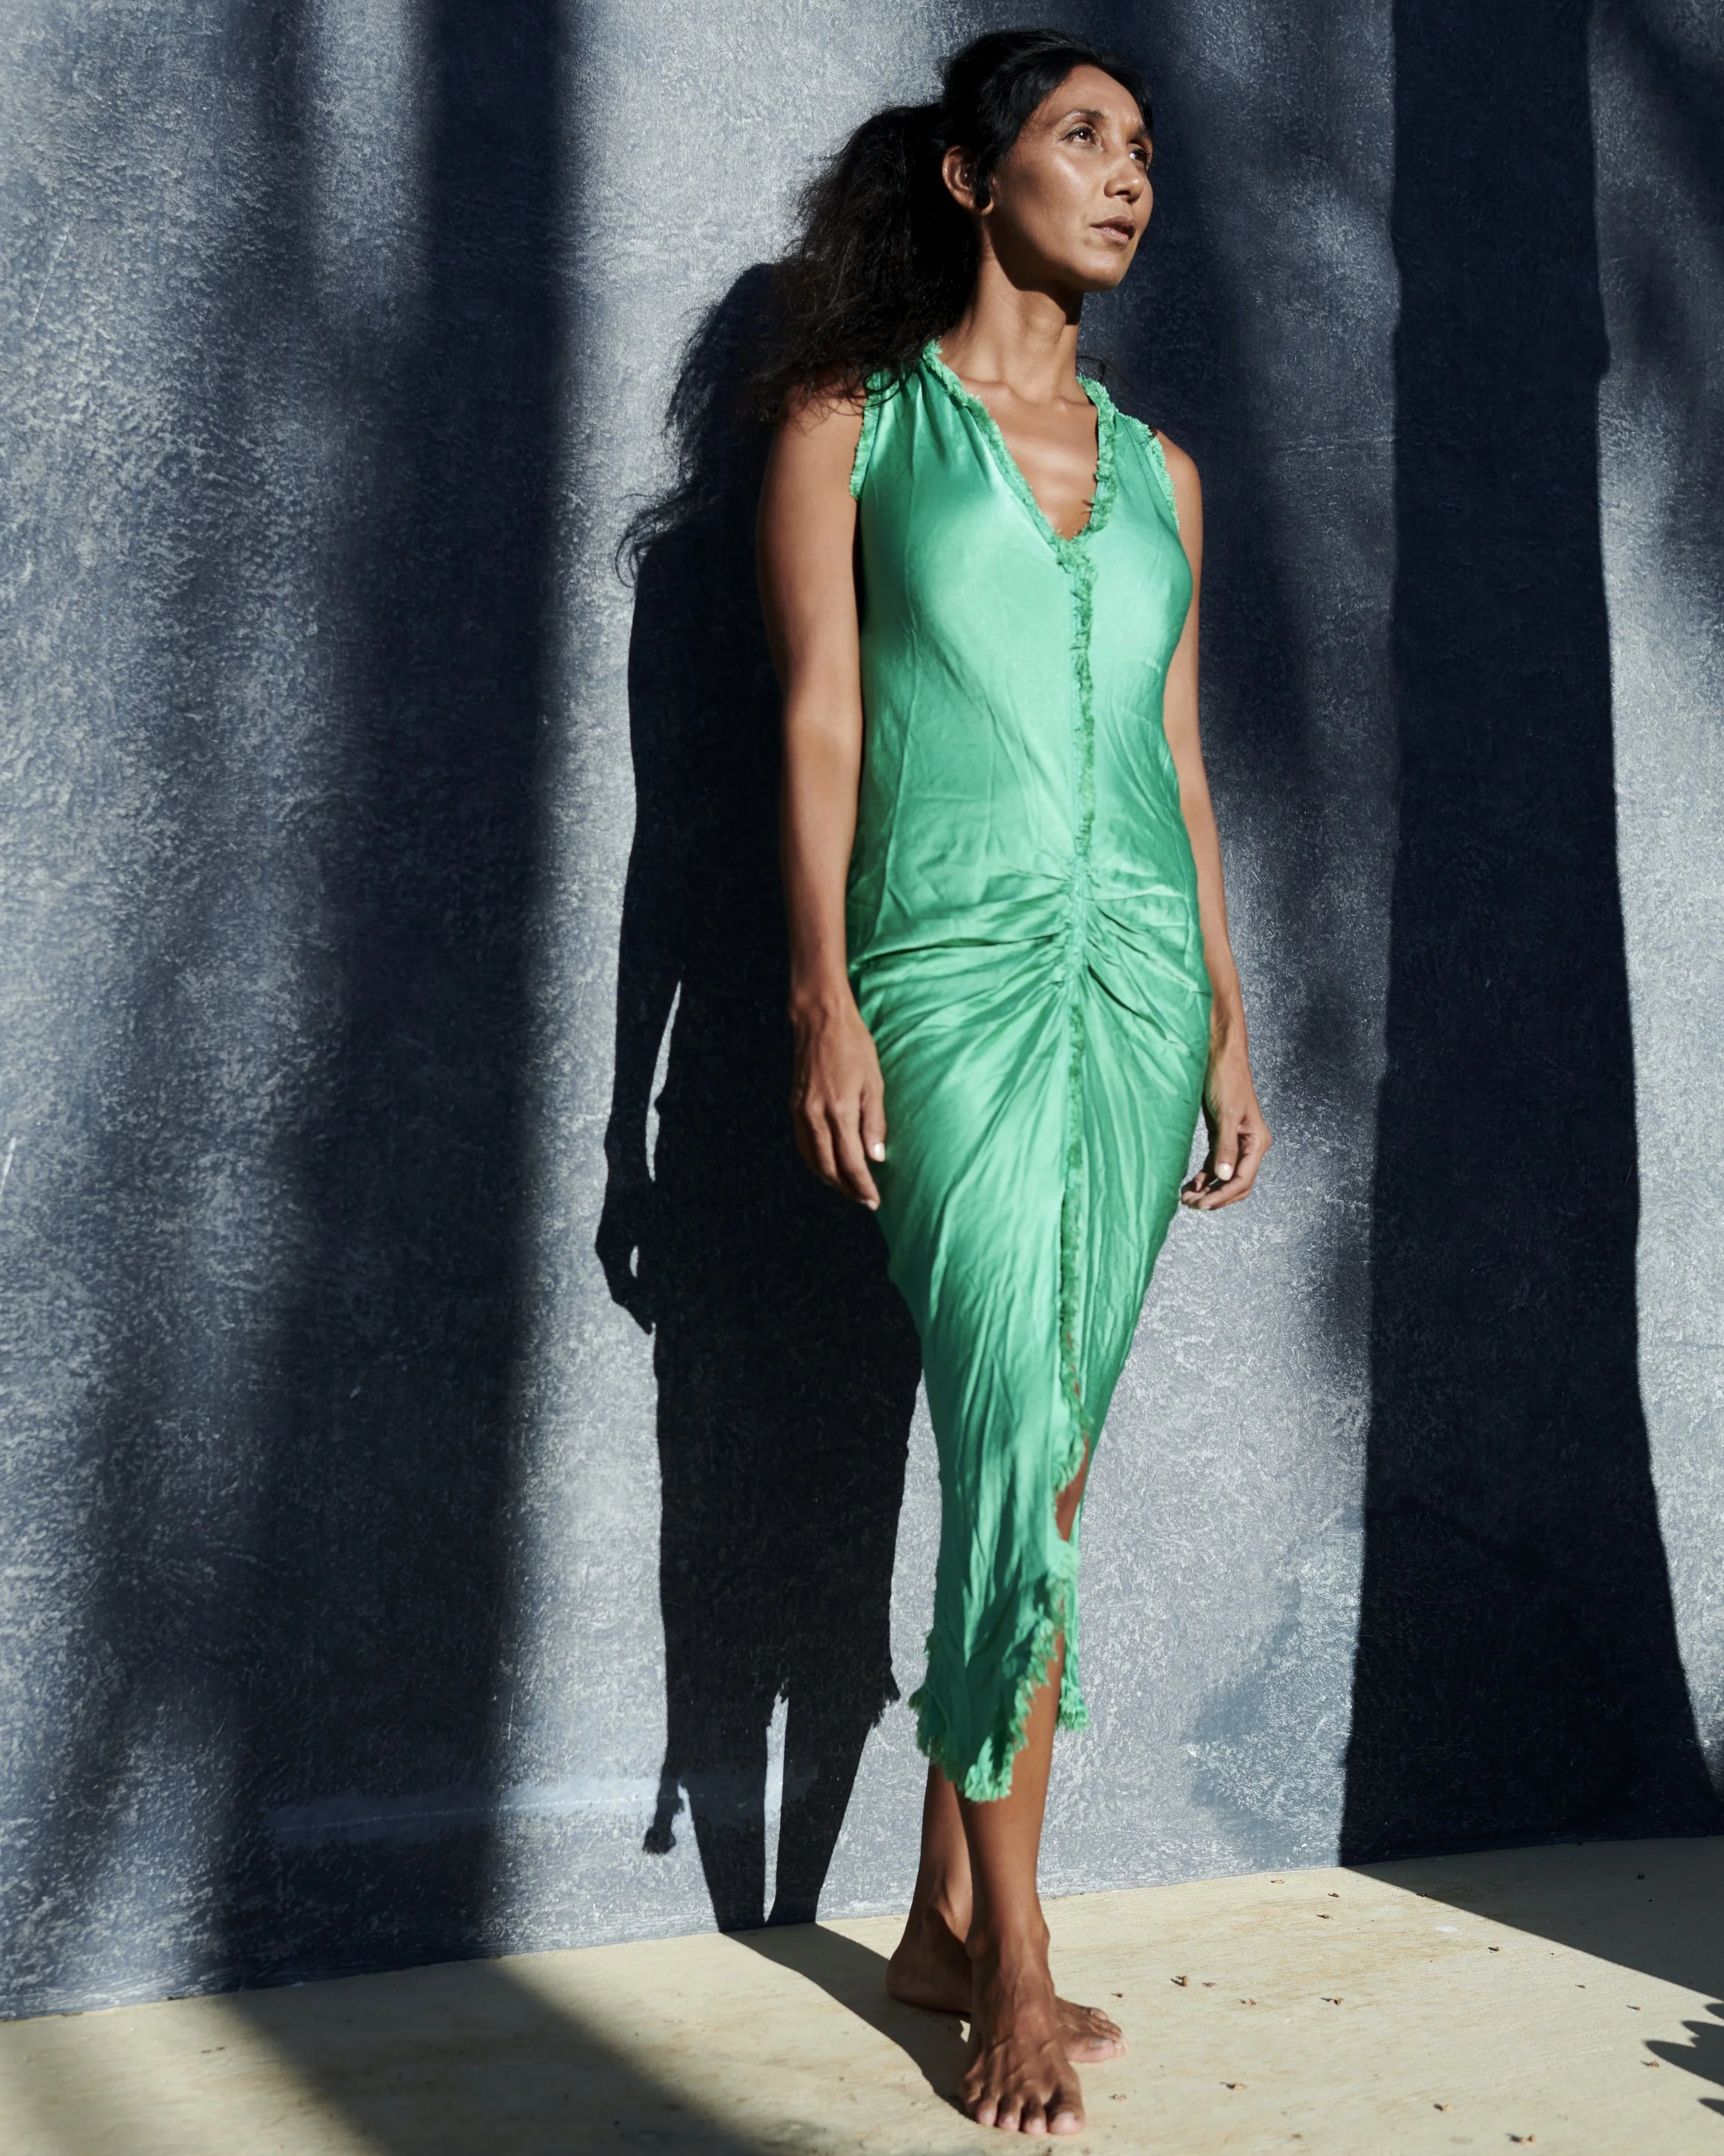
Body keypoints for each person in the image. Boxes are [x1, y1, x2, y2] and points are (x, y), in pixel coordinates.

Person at [754, 27, 1270, 2136]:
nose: (1128, 177)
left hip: (1139, 990)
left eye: (1142, 149)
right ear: (975, 182)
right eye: (1081, 139)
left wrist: (1230, 1010)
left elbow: (1178, 765)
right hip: (948, 978)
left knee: (1043, 1469)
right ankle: (1023, 1969)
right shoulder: (848, 425)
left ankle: (941, 1918)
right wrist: (814, 995)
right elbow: (813, 723)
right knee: (1010, 1429)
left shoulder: (1164, 475)